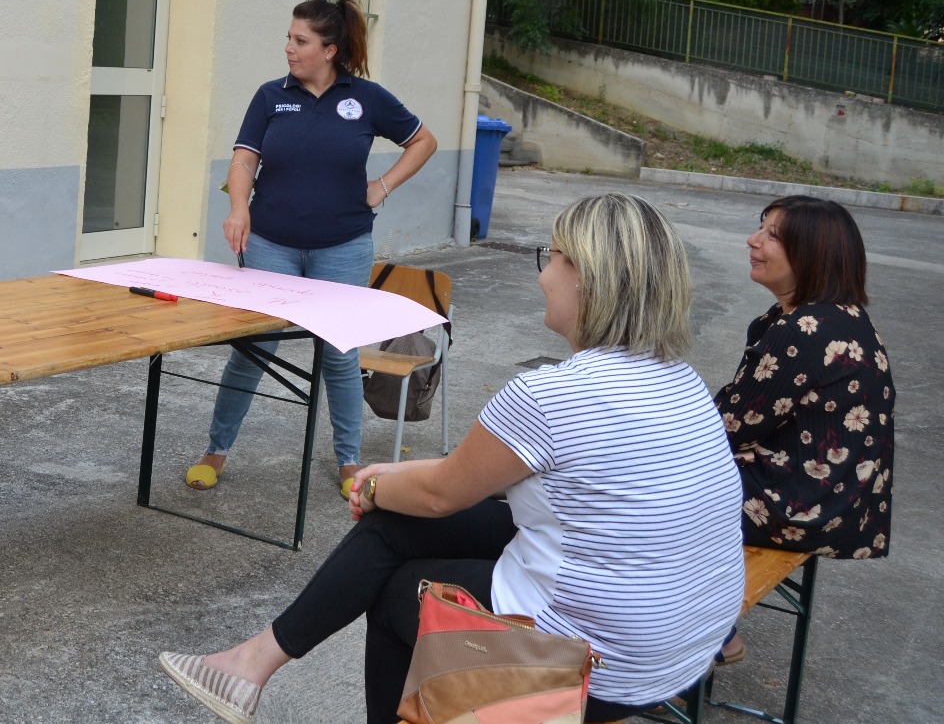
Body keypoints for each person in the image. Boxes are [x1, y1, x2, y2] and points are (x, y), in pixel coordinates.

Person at [160, 193, 744, 724]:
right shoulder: (680, 380)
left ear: (587, 279)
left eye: (554, 257)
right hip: (681, 647)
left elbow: (442, 494)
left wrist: (375, 488)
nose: (543, 275)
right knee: (401, 522)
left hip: (595, 666)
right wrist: (398, 481)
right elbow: (476, 481)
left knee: (400, 593)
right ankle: (251, 663)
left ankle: (258, 665)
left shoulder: (549, 396)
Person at [186, 0, 437, 498]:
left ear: (330, 49)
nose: (289, 49)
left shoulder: (366, 98)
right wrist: (239, 208)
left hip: (342, 247)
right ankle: (216, 451)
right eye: (289, 38)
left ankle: (349, 463)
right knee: (255, 349)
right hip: (270, 245)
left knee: (340, 353)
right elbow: (242, 162)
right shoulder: (270, 96)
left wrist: (381, 186)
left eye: (300, 41)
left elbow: (423, 141)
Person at [712, 195, 895, 665]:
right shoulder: (840, 316)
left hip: (802, 504)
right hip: (834, 495)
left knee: (648, 491)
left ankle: (701, 628)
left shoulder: (805, 329)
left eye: (774, 235)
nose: (753, 241)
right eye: (761, 227)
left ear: (812, 254)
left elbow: (726, 428)